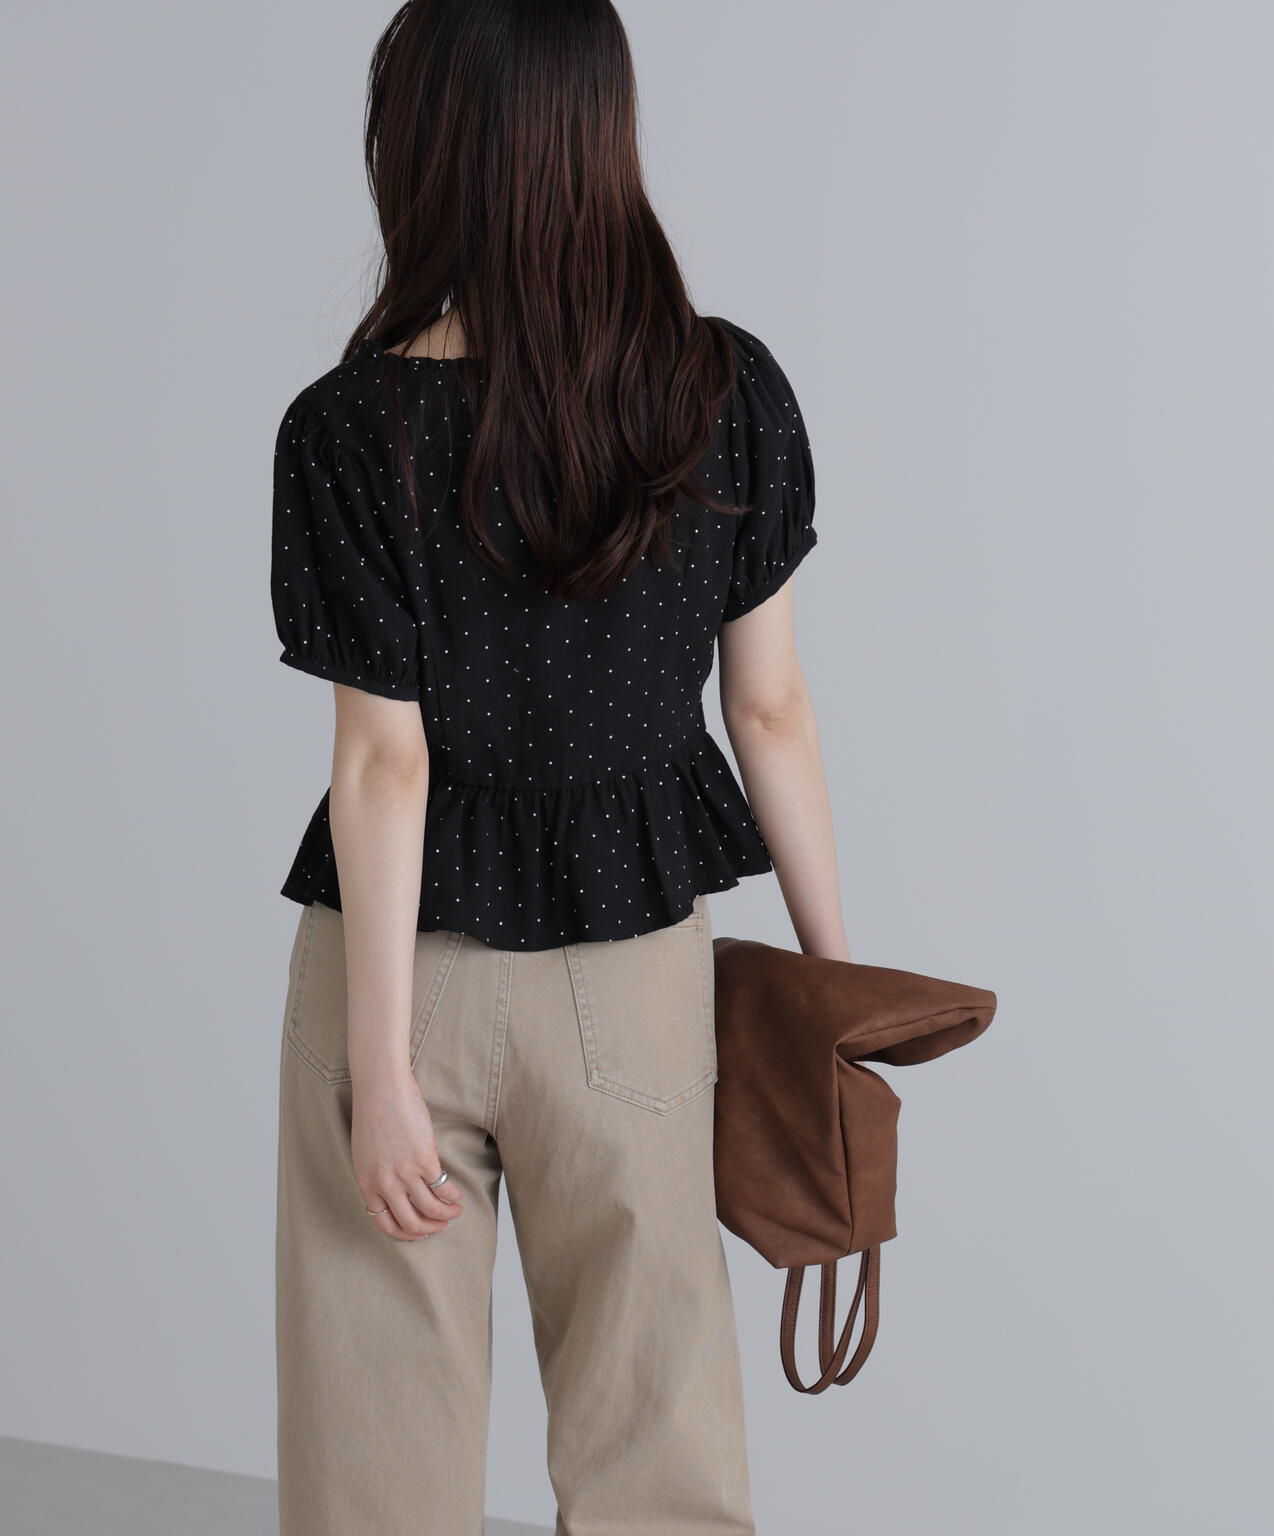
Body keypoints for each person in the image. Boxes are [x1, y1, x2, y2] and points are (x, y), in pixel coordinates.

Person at [269, 3, 848, 1533]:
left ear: (420, 144)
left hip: (398, 967)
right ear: (603, 132)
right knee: (658, 1446)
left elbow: (384, 765)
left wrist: (383, 1070)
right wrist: (831, 986)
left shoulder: (349, 427)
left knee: (375, 1461)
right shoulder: (721, 390)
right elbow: (772, 714)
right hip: (634, 971)